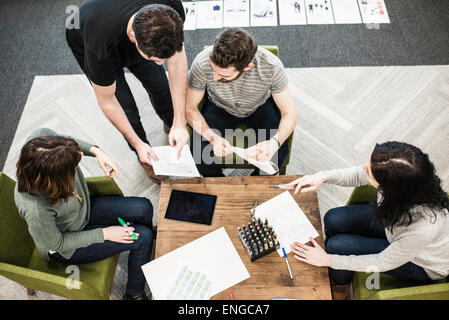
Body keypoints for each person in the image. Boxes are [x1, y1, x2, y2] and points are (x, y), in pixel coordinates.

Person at [283, 141, 449, 300]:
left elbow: (382, 261)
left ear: (389, 188)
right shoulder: (406, 183)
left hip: (420, 263)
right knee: (333, 218)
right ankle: (334, 262)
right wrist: (322, 176)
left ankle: (340, 288)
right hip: (396, 226)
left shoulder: (424, 228)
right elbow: (358, 174)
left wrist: (327, 259)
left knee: (337, 246)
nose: (363, 169)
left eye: (369, 172)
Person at [14, 128, 154, 300]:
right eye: (73, 165)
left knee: (144, 207)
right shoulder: (36, 209)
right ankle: (134, 294)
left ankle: (142, 252)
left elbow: (67, 142)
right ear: (57, 181)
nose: (80, 155)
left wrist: (96, 151)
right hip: (69, 245)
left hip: (84, 208)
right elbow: (58, 244)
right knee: (144, 236)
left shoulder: (39, 142)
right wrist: (105, 233)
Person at [66, 0, 190, 183]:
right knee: (127, 110)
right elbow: (107, 101)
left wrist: (180, 121)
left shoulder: (171, 11)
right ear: (133, 37)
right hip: (89, 31)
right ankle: (145, 155)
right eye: (154, 58)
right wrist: (138, 144)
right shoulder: (100, 51)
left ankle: (170, 122)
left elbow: (177, 60)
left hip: (123, 26)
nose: (160, 63)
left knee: (161, 86)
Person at [186, 28, 297, 177]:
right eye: (214, 70)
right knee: (199, 154)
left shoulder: (272, 66)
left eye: (222, 74)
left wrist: (274, 142)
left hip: (259, 107)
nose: (214, 77)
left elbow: (289, 113)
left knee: (279, 153)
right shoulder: (201, 63)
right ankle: (218, 186)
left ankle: (256, 184)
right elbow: (190, 109)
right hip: (219, 107)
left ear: (247, 67)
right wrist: (212, 137)